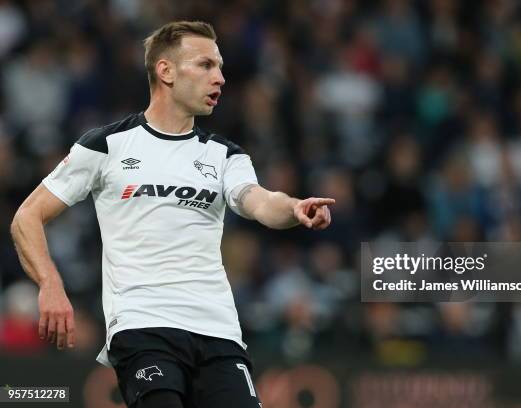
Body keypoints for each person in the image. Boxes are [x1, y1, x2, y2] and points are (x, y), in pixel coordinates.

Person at [10, 21, 334, 408]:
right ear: (165, 71)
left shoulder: (224, 155)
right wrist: (50, 283)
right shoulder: (107, 145)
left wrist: (294, 208)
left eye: (220, 67)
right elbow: (26, 217)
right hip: (144, 327)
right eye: (206, 65)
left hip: (218, 331)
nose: (220, 78)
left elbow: (258, 201)